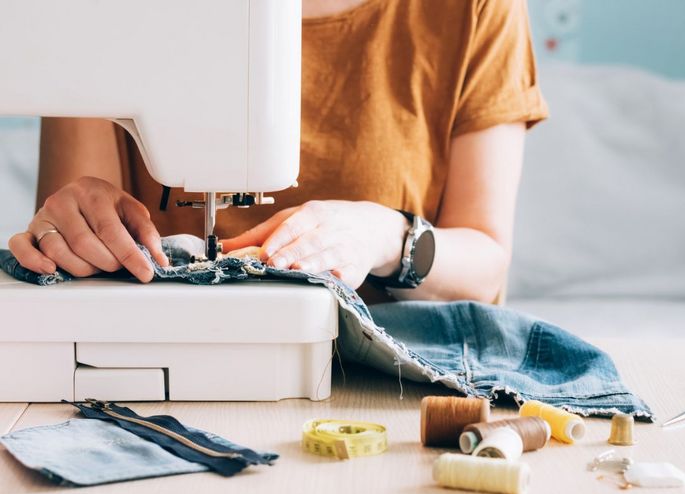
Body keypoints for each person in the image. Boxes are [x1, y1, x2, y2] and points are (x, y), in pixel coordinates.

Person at [8, 0, 547, 304]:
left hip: (390, 376)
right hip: (164, 364)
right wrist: (75, 220)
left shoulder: (476, 9)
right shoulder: (101, 10)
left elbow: (485, 266)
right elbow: (80, 261)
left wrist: (386, 236)